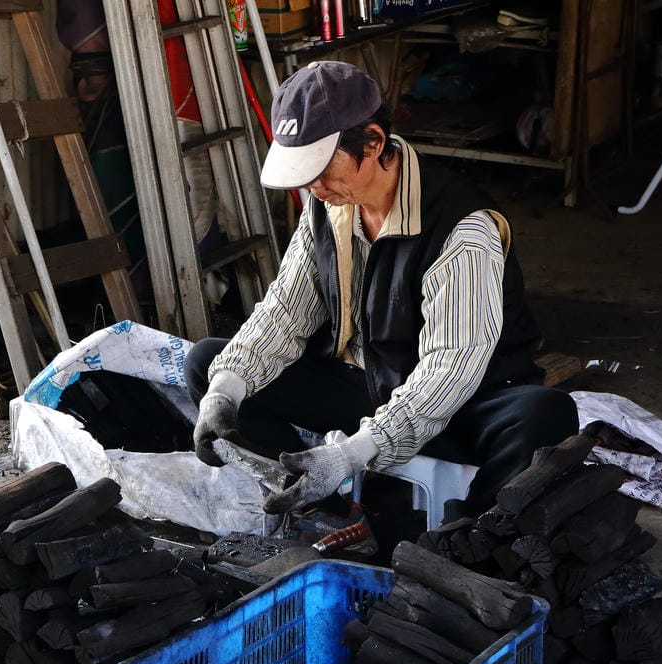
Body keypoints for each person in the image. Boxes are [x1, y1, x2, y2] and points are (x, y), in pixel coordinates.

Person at [184, 61, 577, 522]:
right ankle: (317, 506)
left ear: (372, 142)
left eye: (322, 168)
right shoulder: (326, 203)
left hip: (458, 401)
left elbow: (448, 371)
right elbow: (284, 313)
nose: (313, 185)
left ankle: (467, 539)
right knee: (211, 366)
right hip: (365, 385)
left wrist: (352, 454)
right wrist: (225, 392)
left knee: (542, 414)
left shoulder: (461, 229)